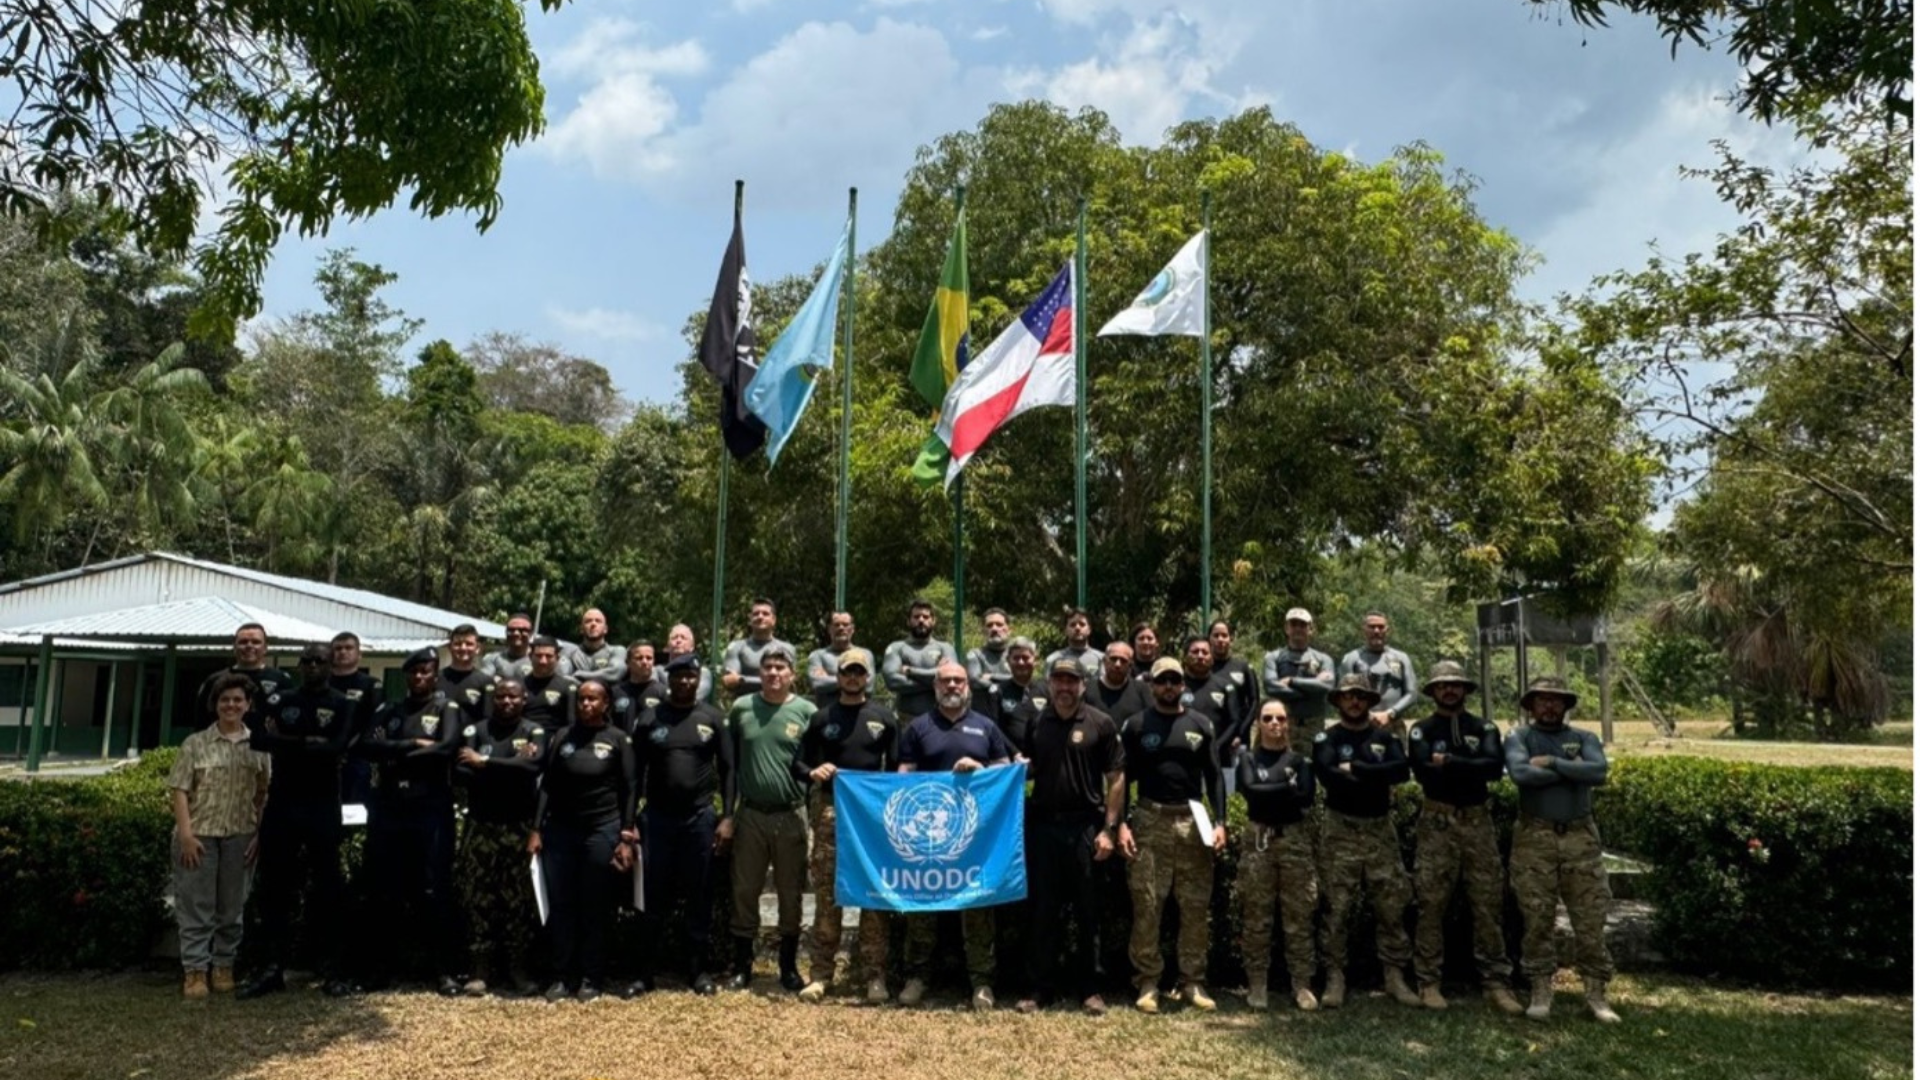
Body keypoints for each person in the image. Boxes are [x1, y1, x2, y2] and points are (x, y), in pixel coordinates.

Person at [897, 661, 1016, 1011]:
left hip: (976, 837)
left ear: (968, 687)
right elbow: (904, 775)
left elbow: (1005, 773)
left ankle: (982, 982)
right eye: (946, 680)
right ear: (935, 686)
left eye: (958, 681)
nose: (952, 686)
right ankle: (916, 977)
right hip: (928, 837)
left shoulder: (986, 727)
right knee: (922, 905)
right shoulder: (918, 727)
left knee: (977, 907)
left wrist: (979, 771)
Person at [238, 645, 353, 999]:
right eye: (308, 661)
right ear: (300, 666)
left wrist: (286, 741)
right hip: (284, 803)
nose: (314, 666)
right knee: (275, 888)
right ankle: (271, 969)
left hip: (322, 804)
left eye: (321, 661)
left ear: (331, 665)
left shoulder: (342, 703)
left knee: (328, 888)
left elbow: (338, 747)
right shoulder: (280, 699)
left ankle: (332, 969)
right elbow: (258, 739)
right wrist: (308, 741)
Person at [1409, 661, 1523, 1014]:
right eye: (1443, 686)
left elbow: (1492, 769)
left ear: (1465, 690)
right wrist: (1464, 763)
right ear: (1433, 691)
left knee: (1487, 902)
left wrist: (1449, 761)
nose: (1449, 690)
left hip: (1477, 822)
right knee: (1431, 903)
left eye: (1455, 685)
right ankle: (1428, 981)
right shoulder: (1422, 729)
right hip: (1437, 821)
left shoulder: (1484, 726)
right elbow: (1423, 770)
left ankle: (1495, 982)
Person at [1505, 675, 1619, 1023]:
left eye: (1557, 700)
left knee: (1590, 916)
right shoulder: (1519, 736)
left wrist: (1553, 764)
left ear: (1567, 705)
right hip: (1534, 837)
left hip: (1580, 837)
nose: (1550, 706)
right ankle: (1541, 989)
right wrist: (1575, 771)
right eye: (1542, 699)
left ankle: (1596, 994)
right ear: (1531, 705)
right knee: (1537, 916)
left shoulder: (1584, 737)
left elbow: (1598, 772)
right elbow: (1521, 774)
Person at [1015, 659, 1124, 1016]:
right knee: (1042, 910)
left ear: (1082, 684)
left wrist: (1109, 830)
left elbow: (1116, 778)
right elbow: (1030, 767)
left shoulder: (1100, 722)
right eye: (1058, 680)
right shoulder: (1038, 721)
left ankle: (1091, 989)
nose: (1064, 687)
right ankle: (1038, 988)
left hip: (1085, 828)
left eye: (1071, 681)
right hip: (1043, 826)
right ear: (1049, 684)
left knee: (1089, 910)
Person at [1121, 656, 1226, 1014]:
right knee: (1148, 905)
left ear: (1183, 685)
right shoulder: (1136, 725)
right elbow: (1122, 780)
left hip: (1193, 821)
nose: (1169, 686)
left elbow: (1214, 777)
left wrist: (1221, 822)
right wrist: (1120, 823)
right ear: (1152, 685)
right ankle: (1147, 982)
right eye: (1162, 680)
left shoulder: (1201, 724)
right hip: (1151, 820)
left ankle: (1192, 982)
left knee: (1195, 906)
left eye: (1175, 680)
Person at [354, 648, 462, 994]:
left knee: (433, 889)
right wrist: (415, 743)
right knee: (384, 889)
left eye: (425, 672)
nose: (419, 678)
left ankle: (442, 970)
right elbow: (365, 746)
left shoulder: (447, 709)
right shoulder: (390, 709)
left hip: (430, 809)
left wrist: (396, 749)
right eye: (413, 673)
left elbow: (446, 748)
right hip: (390, 809)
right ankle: (380, 969)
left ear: (435, 676)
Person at [795, 647, 897, 1004]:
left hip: (871, 816)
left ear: (867, 676)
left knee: (873, 894)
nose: (853, 678)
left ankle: (874, 977)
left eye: (859, 672)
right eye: (846, 672)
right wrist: (813, 772)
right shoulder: (822, 718)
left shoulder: (884, 718)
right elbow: (799, 763)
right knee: (828, 893)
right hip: (831, 811)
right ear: (838, 677)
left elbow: (899, 769)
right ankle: (821, 975)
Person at [1314, 673, 1420, 1009]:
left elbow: (1401, 771)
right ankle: (1335, 976)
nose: (1355, 701)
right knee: (1336, 907)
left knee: (1391, 905)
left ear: (1370, 701)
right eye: (1349, 696)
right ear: (1339, 701)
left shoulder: (1383, 736)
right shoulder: (1326, 737)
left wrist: (1356, 767)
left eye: (1361, 696)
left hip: (1379, 829)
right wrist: (1375, 772)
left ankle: (1394, 976)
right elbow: (1327, 774)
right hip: (1339, 829)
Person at [529, 677, 638, 1002]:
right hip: (561, 832)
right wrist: (536, 828)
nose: (586, 705)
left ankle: (592, 977)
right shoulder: (563, 736)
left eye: (593, 700)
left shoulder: (619, 740)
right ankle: (562, 976)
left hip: (601, 830)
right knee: (561, 905)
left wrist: (627, 834)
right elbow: (547, 784)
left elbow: (631, 788)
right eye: (582, 700)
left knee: (595, 905)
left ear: (606, 704)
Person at [631, 654, 733, 997]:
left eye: (691, 676)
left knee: (699, 894)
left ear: (698, 678)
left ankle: (698, 971)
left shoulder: (712, 718)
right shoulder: (649, 718)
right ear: (669, 679)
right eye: (679, 676)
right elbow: (634, 776)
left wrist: (728, 817)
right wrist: (630, 821)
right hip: (657, 819)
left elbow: (729, 769)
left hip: (699, 819)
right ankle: (644, 973)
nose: (685, 682)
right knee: (651, 897)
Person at [168, 673, 271, 998]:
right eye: (225, 700)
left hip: (240, 836)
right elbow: (180, 790)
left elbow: (263, 794)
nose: (231, 705)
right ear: (216, 705)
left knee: (231, 907)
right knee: (196, 906)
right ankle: (195, 971)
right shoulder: (195, 744)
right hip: (199, 837)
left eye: (238, 699)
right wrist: (186, 834)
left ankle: (224, 965)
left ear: (248, 705)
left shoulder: (260, 745)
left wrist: (258, 834)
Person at [722, 644, 814, 992]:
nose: (774, 673)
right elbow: (729, 765)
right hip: (752, 815)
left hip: (791, 814)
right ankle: (742, 966)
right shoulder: (742, 708)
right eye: (768, 668)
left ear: (793, 675)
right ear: (759, 674)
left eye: (781, 668)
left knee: (791, 891)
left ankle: (787, 966)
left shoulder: (807, 711)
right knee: (745, 889)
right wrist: (728, 814)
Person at [453, 677, 546, 996]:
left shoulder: (533, 731)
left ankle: (518, 970)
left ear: (524, 700)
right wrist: (510, 767)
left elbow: (533, 767)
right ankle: (480, 971)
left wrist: (486, 763)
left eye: (513, 697)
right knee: (478, 898)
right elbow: (460, 771)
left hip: (518, 827)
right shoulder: (476, 730)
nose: (507, 701)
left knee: (518, 902)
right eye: (502, 696)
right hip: (482, 827)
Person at [1234, 701, 1319, 1011]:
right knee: (1256, 915)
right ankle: (1257, 984)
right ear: (1258, 723)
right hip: (1258, 840)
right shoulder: (1248, 758)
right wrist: (1285, 786)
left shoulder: (1300, 761)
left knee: (1299, 916)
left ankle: (1302, 984)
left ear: (1289, 724)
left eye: (1280, 718)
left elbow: (1306, 796)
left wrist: (1269, 787)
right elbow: (1250, 791)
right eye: (1267, 718)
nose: (1274, 723)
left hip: (1294, 840)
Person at [1261, 608, 1336, 750]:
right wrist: (1312, 690)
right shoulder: (1273, 657)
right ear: (1286, 628)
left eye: (1303, 625)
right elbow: (1271, 687)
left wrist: (1292, 681)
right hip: (1283, 724)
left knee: (1313, 767)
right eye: (1294, 624)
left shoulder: (1323, 659)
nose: (1298, 629)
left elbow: (1328, 687)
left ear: (1311, 629)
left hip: (1314, 726)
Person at [1175, 635, 1247, 772]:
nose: (1200, 656)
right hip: (1182, 759)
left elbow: (1234, 721)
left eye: (1205, 652)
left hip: (1220, 758)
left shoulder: (1225, 687)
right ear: (1185, 656)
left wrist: (1216, 746)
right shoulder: (1175, 686)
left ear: (1211, 657)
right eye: (1195, 652)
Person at [1338, 612, 1418, 737]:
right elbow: (1342, 694)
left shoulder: (1402, 658)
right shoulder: (1351, 658)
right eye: (1372, 626)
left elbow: (1412, 693)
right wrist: (1368, 715)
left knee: (1397, 756)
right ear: (1363, 629)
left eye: (1381, 627)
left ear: (1388, 630)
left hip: (1394, 724)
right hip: (1360, 725)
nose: (1376, 631)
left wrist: (1391, 713)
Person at [195, 622, 293, 723]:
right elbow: (202, 719)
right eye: (243, 642)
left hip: (267, 738)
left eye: (256, 642)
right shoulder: (215, 680)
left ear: (265, 648)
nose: (249, 646)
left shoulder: (281, 680)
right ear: (234, 647)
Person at [882, 599, 959, 720]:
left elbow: (950, 678)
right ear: (908, 621)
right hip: (905, 720)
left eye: (926, 617)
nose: (921, 620)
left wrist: (910, 672)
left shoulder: (945, 648)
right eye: (916, 617)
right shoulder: (896, 647)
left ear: (933, 621)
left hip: (939, 721)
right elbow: (892, 682)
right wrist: (935, 681)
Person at [328, 631, 381, 807]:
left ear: (359, 654)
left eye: (349, 648)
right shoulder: (322, 683)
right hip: (324, 757)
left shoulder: (371, 685)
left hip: (358, 758)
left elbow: (374, 723)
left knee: (355, 809)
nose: (343, 652)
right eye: (338, 648)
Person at [722, 597, 794, 699]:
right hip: (746, 706)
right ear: (750, 619)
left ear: (773, 620)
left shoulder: (787, 648)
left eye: (765, 614)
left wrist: (742, 679)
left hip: (779, 708)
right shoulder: (737, 647)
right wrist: (774, 680)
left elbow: (789, 683)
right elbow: (729, 681)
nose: (760, 617)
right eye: (756, 614)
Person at [981, 636, 1044, 751]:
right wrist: (1014, 752)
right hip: (1011, 759)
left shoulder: (1047, 690)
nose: (1021, 662)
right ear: (1008, 661)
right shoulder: (997, 691)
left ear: (1035, 660)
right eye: (1016, 658)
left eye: (1025, 658)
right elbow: (994, 727)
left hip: (1042, 757)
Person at [441, 624, 496, 723]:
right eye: (458, 644)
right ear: (450, 647)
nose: (463, 648)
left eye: (469, 644)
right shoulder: (436, 678)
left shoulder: (486, 682)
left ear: (478, 648)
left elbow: (488, 719)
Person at [522, 636, 579, 731]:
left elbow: (571, 724)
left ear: (557, 658)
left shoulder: (567, 687)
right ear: (530, 657)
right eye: (538, 655)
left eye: (549, 656)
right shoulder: (518, 686)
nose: (543, 661)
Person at [1206, 619, 1258, 722]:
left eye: (1224, 635)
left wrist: (1242, 731)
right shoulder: (1202, 669)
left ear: (1231, 639)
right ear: (1209, 639)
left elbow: (1254, 703)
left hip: (1238, 734)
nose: (1220, 639)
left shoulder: (1244, 668)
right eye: (1216, 635)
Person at [806, 611, 859, 704]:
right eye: (836, 624)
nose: (841, 628)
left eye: (845, 624)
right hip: (827, 715)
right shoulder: (818, 655)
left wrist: (829, 678)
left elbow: (868, 686)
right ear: (829, 629)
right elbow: (817, 684)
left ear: (852, 629)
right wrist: (854, 680)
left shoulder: (864, 654)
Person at [1091, 641, 1150, 723]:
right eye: (1113, 659)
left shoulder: (1142, 690)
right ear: (1104, 661)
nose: (1118, 664)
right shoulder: (1088, 689)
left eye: (1123, 660)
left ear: (1130, 665)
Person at [612, 641, 662, 733]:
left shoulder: (662, 692)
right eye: (639, 658)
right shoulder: (615, 692)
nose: (644, 662)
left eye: (649, 658)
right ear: (628, 662)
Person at [560, 608, 622, 679]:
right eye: (588, 621)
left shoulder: (617, 650)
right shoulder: (570, 652)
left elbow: (616, 673)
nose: (593, 624)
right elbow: (564, 679)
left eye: (598, 621)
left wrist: (580, 675)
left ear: (605, 629)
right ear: (581, 629)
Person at [1044, 608, 1102, 680]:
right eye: (1072, 625)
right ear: (1065, 630)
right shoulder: (1053, 659)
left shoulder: (1101, 659)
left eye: (1082, 624)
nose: (1077, 628)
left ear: (1089, 630)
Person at [664, 623, 715, 701]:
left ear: (692, 647)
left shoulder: (703, 673)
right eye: (674, 638)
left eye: (683, 638)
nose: (678, 641)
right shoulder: (658, 671)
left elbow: (696, 696)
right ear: (668, 645)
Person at [965, 608, 1014, 690]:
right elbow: (975, 682)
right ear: (983, 631)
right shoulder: (975, 655)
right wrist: (1011, 682)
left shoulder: (1018, 655)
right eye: (989, 625)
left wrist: (992, 676)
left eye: (999, 624)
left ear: (1009, 630)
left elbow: (1025, 680)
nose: (994, 629)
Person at [483, 613, 536, 681]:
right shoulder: (493, 659)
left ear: (531, 633)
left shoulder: (539, 661)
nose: (516, 633)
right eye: (511, 630)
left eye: (522, 630)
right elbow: (483, 681)